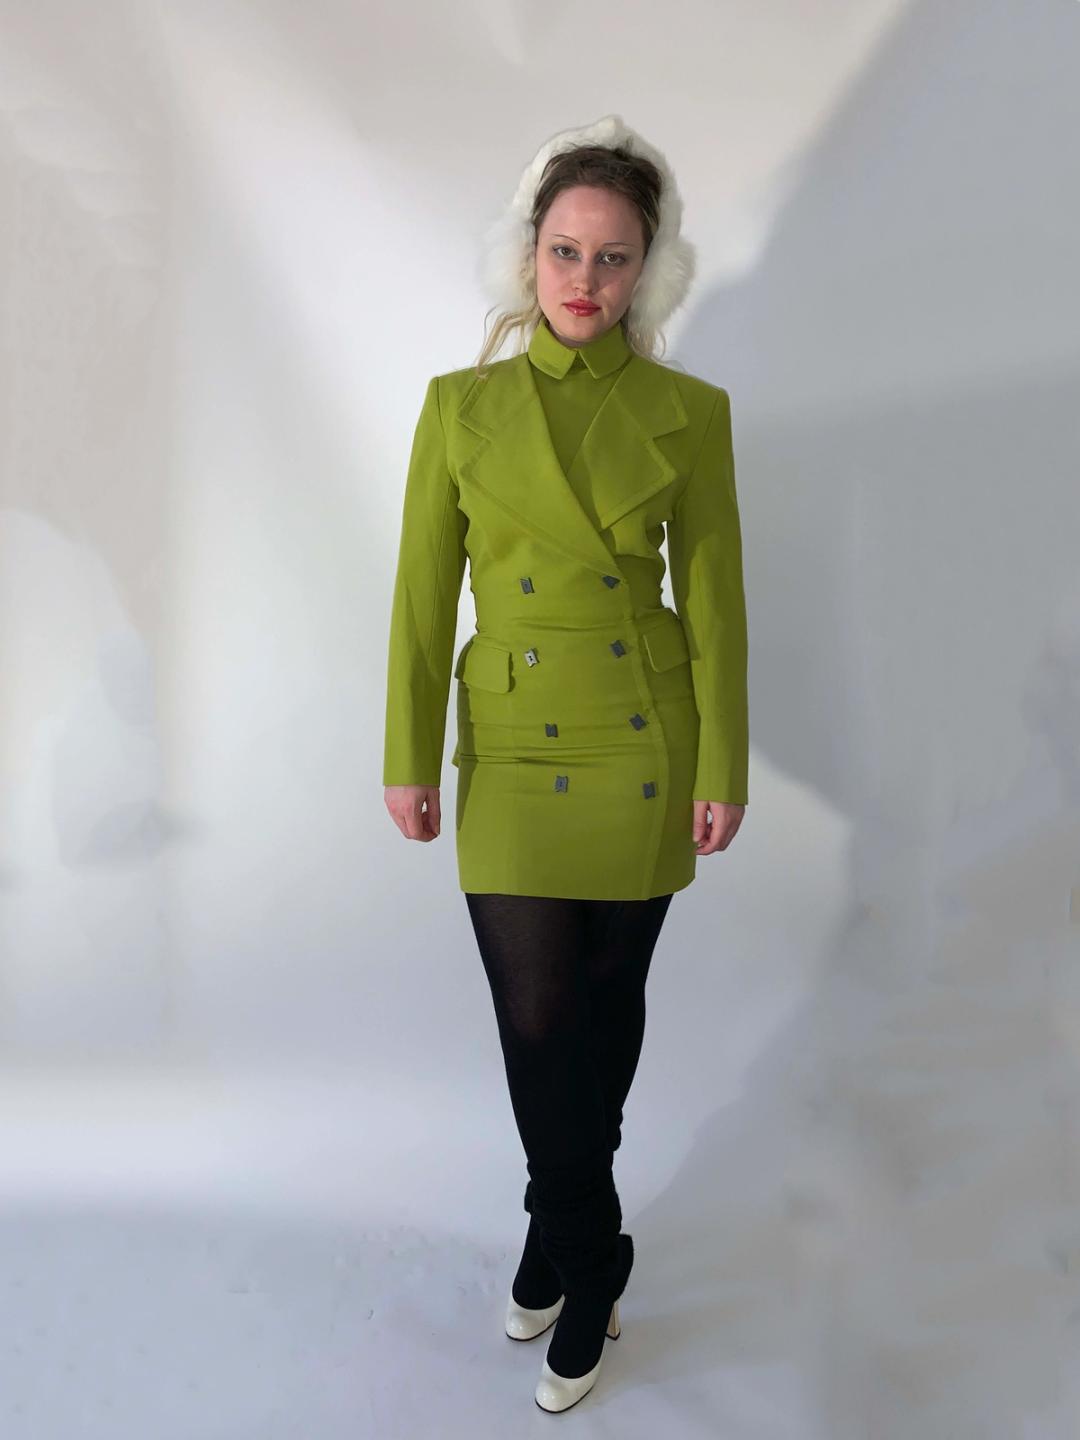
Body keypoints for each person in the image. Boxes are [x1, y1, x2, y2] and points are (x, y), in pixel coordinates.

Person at [382, 114, 749, 1412]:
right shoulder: (460, 407)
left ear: (649, 271)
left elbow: (715, 605)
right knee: (539, 1024)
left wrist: (722, 765)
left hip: (642, 740)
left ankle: (560, 1241)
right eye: (564, 251)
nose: (584, 279)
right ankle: (597, 1253)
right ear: (526, 256)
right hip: (513, 748)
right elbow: (421, 600)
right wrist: (407, 753)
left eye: (613, 257)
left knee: (603, 1011)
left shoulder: (689, 415)